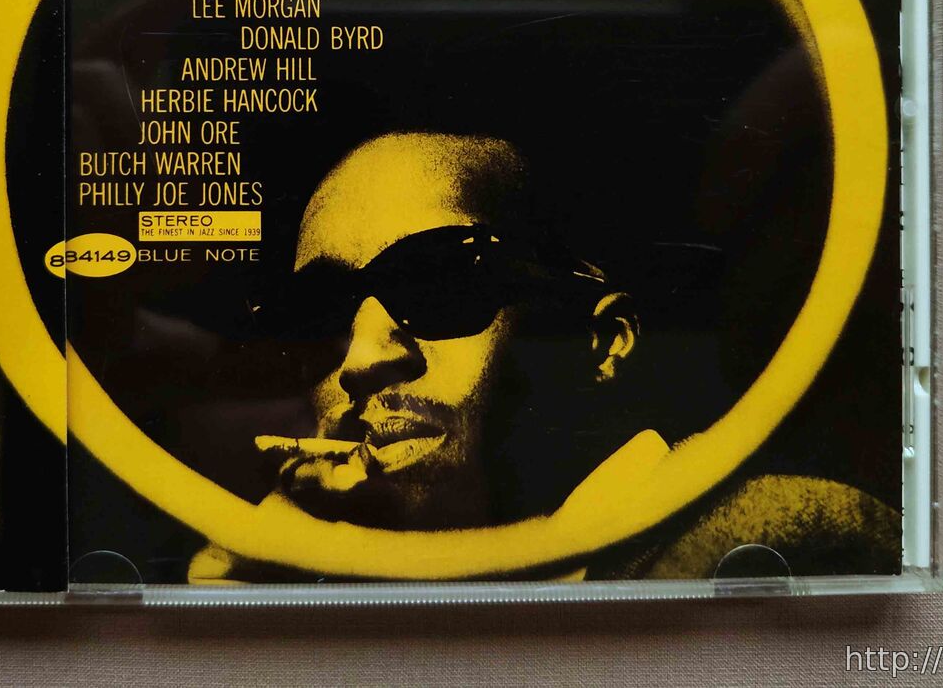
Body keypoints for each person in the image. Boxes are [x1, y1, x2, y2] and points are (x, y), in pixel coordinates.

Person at [188, 131, 901, 583]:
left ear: (602, 341)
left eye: (440, 284)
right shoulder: (317, 574)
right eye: (318, 311)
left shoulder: (794, 537)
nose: (361, 359)